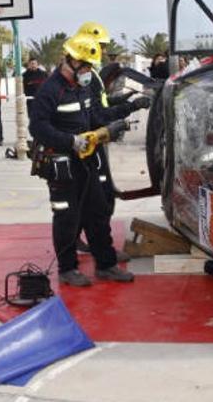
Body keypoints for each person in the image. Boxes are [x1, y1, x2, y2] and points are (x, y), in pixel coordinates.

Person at [29, 33, 149, 287]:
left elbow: (97, 116)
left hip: (86, 162)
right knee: (67, 217)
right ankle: (67, 269)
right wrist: (70, 141)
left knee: (97, 212)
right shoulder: (50, 91)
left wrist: (126, 111)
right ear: (69, 61)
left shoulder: (82, 88)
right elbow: (38, 128)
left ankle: (105, 265)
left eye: (89, 67)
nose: (87, 71)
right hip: (62, 165)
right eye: (84, 66)